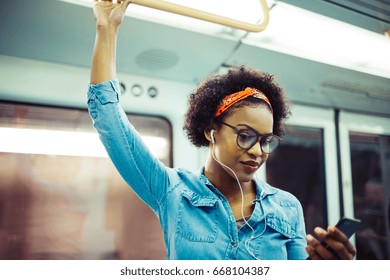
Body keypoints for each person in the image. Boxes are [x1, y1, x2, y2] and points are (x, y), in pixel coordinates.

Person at [87, 0, 357, 260]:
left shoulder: (287, 207)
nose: (257, 152)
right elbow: (109, 119)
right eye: (245, 135)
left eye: (266, 141)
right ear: (211, 130)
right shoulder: (173, 192)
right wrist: (106, 28)